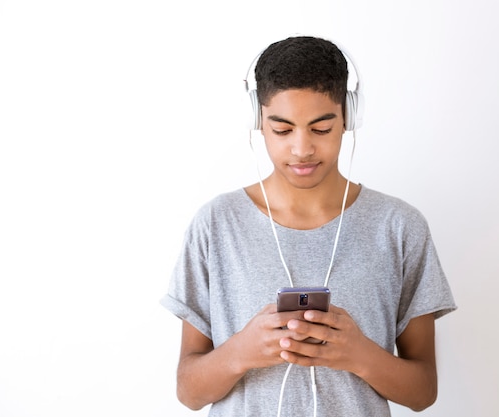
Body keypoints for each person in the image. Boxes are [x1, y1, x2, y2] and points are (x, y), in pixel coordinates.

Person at [160, 35, 456, 416]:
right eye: (282, 130)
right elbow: (189, 392)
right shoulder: (217, 224)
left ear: (349, 117)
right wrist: (241, 351)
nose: (301, 149)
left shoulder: (399, 227)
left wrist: (358, 354)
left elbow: (422, 392)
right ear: (257, 121)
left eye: (321, 129)